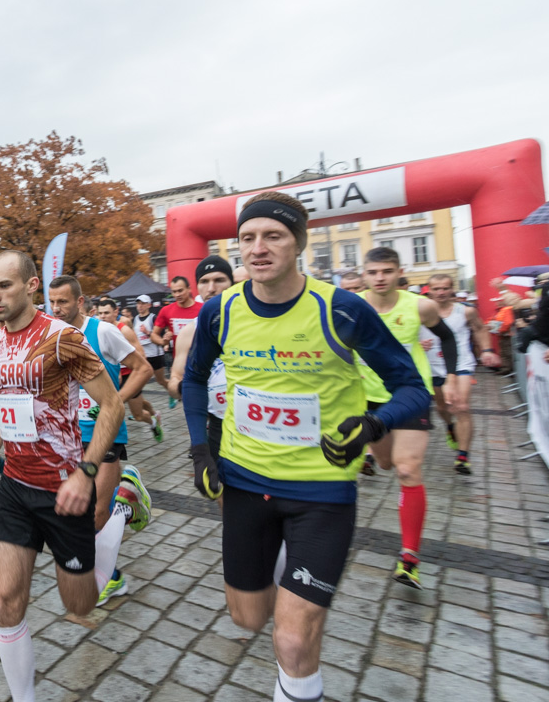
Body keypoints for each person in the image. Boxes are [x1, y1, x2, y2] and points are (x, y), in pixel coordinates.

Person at [182, 192, 429, 702]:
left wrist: (374, 424)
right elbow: (193, 379)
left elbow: (413, 389)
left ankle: (297, 673)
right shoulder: (219, 311)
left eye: (273, 235)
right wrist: (200, 450)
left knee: (292, 638)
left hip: (322, 491)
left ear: (298, 243)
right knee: (247, 617)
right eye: (247, 238)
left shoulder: (342, 309)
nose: (258, 248)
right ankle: (288, 584)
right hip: (247, 484)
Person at [0, 251, 149, 702]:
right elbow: (1, 398)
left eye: (4, 286)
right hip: (15, 485)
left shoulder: (62, 338)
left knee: (80, 605)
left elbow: (111, 404)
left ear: (31, 286)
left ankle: (117, 514)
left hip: (64, 488)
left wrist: (86, 472)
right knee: (4, 602)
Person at [356, 247, 460, 588]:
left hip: (411, 394)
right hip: (371, 399)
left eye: (387, 271)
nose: (380, 277)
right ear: (365, 274)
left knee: (407, 468)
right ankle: (378, 458)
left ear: (399, 272)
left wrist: (455, 376)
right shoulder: (352, 305)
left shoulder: (419, 305)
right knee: (385, 463)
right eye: (373, 272)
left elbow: (446, 336)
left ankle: (409, 558)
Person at [47, 276, 153, 605]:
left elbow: (143, 369)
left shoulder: (103, 332)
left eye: (62, 302)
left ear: (80, 302)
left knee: (96, 513)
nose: (55, 308)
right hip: (69, 437)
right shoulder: (52, 335)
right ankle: (127, 496)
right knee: (72, 512)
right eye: (51, 302)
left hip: (104, 435)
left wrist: (115, 402)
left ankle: (110, 574)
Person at [167, 258, 236, 491]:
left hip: (250, 422)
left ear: (232, 283)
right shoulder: (190, 331)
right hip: (214, 423)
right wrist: (183, 389)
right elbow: (175, 378)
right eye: (204, 281)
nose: (211, 288)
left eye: (219, 280)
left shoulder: (252, 322)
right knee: (222, 492)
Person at [425, 274, 503, 474]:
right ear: (429, 290)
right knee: (442, 407)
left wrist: (486, 351)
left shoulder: (466, 311)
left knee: (461, 406)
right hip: (433, 366)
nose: (441, 292)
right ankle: (450, 427)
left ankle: (463, 456)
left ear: (452, 289)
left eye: (445, 288)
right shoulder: (421, 311)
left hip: (461, 364)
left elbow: (480, 329)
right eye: (436, 288)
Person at [95, 298, 163, 440]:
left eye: (106, 313)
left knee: (137, 414)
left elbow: (142, 356)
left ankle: (153, 422)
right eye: (100, 313)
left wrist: (121, 368)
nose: (103, 317)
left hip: (128, 376)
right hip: (110, 376)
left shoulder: (124, 330)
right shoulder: (98, 329)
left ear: (116, 312)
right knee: (120, 405)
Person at [152, 277, 203, 399]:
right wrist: (163, 341)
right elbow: (153, 335)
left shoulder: (202, 309)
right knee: (189, 399)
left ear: (189, 289)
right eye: (174, 292)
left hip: (201, 360)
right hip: (180, 362)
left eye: (180, 290)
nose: (177, 294)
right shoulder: (166, 311)